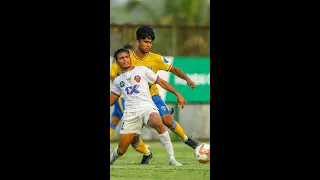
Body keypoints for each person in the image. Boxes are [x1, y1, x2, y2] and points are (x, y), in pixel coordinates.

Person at [112, 26, 201, 149]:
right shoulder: (127, 59)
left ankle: (187, 140)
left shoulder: (156, 58)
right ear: (138, 42)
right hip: (134, 100)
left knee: (167, 120)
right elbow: (116, 77)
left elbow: (174, 69)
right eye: (145, 42)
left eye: (150, 42)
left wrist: (187, 79)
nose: (149, 45)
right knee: (133, 138)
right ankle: (146, 153)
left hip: (153, 95)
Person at [110, 48, 185, 166]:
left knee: (158, 122)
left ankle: (172, 159)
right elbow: (111, 101)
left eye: (126, 57)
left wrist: (178, 94)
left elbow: (161, 82)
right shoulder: (118, 80)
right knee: (121, 150)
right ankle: (111, 159)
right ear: (117, 62)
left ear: (129, 58)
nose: (125, 60)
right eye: (121, 58)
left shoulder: (142, 70)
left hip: (147, 107)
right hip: (130, 114)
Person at [110, 44, 133, 140]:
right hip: (121, 97)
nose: (126, 59)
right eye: (123, 57)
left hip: (130, 96)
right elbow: (111, 76)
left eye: (129, 56)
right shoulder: (117, 65)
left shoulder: (134, 66)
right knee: (131, 120)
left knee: (115, 120)